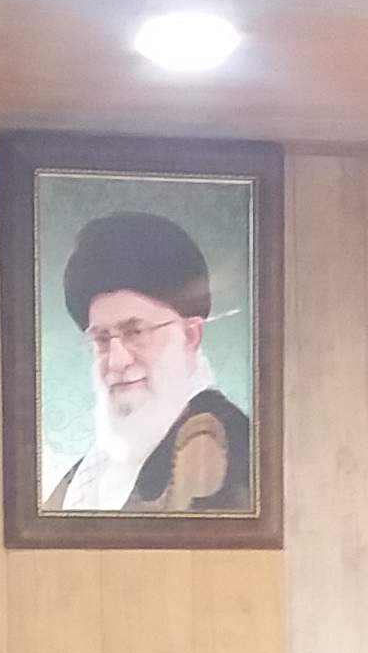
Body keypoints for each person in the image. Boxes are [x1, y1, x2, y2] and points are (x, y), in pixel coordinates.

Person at [40, 210, 253, 515]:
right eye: (102, 339)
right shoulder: (96, 465)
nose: (117, 361)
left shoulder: (225, 447)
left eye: (135, 332)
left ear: (190, 336)